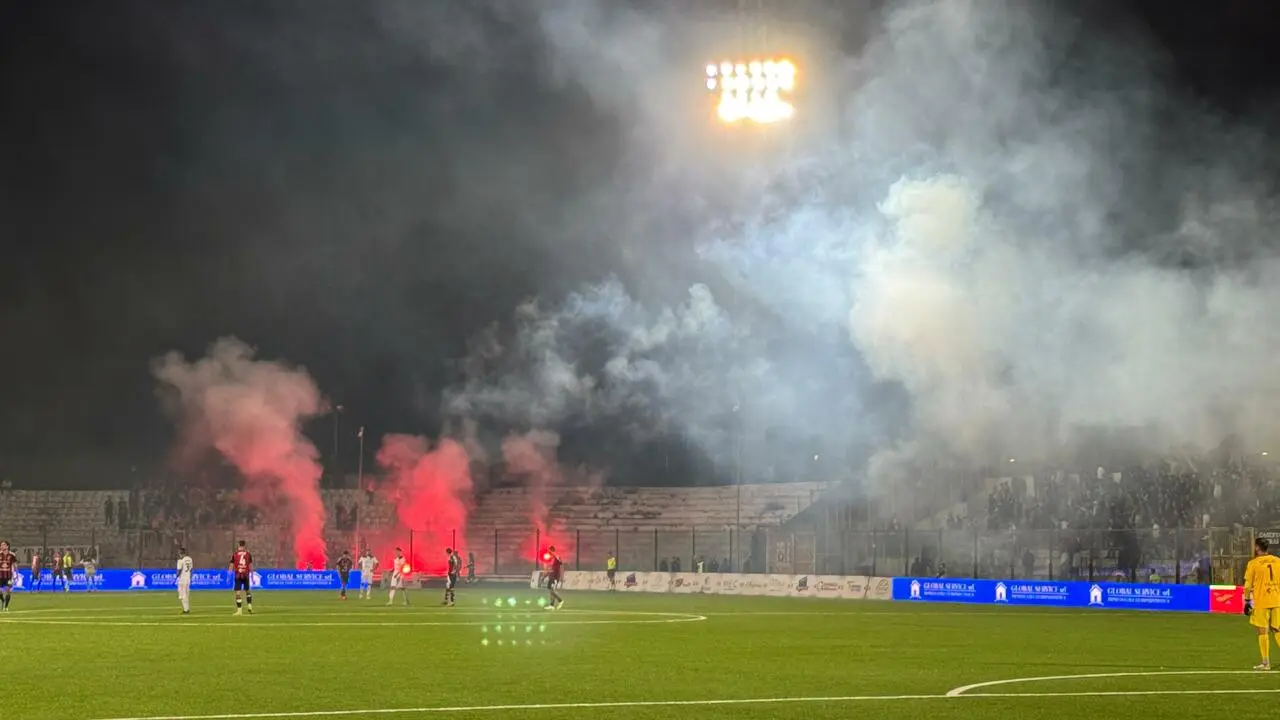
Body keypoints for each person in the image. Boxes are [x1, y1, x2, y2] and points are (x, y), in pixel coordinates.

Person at [1244, 537, 1280, 670]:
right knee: (1277, 629)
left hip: (1262, 601)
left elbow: (1248, 585)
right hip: (1277, 600)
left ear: (1257, 547)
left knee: (1262, 631)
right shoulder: (1278, 561)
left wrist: (1247, 600)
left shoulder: (1253, 563)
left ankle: (1266, 663)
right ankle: (1265, 663)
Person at [229, 540, 254, 616]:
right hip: (246, 575)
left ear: (239, 545)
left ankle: (239, 611)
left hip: (238, 575)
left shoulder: (235, 554)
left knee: (238, 593)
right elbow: (250, 566)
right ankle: (249, 605)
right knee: (247, 591)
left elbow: (231, 565)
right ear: (244, 546)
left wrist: (229, 574)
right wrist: (252, 575)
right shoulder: (248, 554)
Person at [545, 546, 564, 611]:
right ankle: (551, 605)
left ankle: (560, 600)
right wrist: (545, 576)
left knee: (552, 590)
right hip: (551, 576)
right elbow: (550, 569)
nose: (548, 552)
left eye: (549, 551)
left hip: (555, 577)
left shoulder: (557, 557)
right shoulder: (551, 559)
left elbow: (561, 566)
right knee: (550, 590)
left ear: (552, 550)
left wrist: (561, 576)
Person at [0, 541, 16, 612]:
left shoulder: (12, 555)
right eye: (1, 545)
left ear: (7, 546)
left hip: (8, 576)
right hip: (0, 576)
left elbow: (14, 565)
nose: (1, 546)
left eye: (3, 545)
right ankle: (3, 600)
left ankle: (6, 607)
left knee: (8, 591)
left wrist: (16, 574)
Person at [177, 547, 194, 614]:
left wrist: (176, 576)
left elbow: (179, 570)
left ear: (180, 553)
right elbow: (191, 569)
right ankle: (186, 609)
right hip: (188, 579)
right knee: (186, 595)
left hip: (182, 579)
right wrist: (190, 577)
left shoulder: (180, 561)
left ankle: (186, 609)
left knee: (182, 595)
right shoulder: (190, 559)